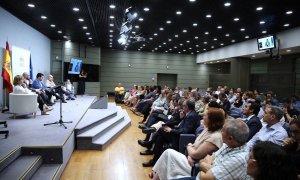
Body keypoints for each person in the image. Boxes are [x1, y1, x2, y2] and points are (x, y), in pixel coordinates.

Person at [150, 108, 225, 180]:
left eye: (205, 116)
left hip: (195, 167)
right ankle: (156, 172)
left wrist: (189, 146)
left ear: (211, 120)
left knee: (168, 153)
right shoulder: (208, 129)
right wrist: (190, 153)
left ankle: (155, 172)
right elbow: (195, 147)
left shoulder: (215, 137)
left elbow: (196, 154)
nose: (203, 117)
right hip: (190, 159)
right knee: (167, 151)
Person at [172, 119, 250, 180]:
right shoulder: (228, 145)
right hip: (197, 173)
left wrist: (202, 164)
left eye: (223, 130)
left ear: (230, 138)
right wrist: (210, 167)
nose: (221, 132)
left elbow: (205, 177)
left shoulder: (239, 159)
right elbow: (208, 157)